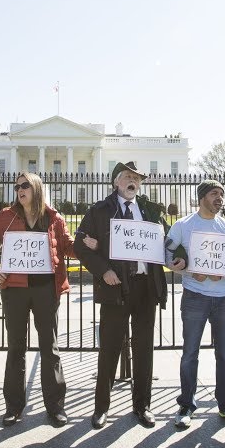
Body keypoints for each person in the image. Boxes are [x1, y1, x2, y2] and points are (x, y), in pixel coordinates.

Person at [75, 161, 171, 429]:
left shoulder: (150, 210)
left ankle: (142, 406)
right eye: (128, 177)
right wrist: (103, 270)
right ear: (116, 182)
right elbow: (80, 245)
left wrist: (179, 256)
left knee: (144, 350)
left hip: (145, 287)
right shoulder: (100, 210)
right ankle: (101, 408)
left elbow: (168, 241)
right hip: (115, 286)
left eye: (137, 179)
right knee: (110, 349)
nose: (133, 182)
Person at [0, 172, 74, 426]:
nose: (19, 189)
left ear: (37, 188)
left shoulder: (53, 218)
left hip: (46, 291)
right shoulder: (6, 217)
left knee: (49, 348)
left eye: (25, 185)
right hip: (15, 291)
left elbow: (68, 246)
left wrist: (91, 244)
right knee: (16, 348)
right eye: (17, 186)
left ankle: (55, 407)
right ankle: (13, 407)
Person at [166, 179, 225, 429]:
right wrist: (187, 270)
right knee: (190, 353)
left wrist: (224, 272)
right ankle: (186, 405)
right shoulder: (183, 225)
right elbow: (168, 255)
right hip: (194, 296)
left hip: (223, 298)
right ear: (202, 197)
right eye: (214, 194)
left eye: (222, 194)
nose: (219, 198)